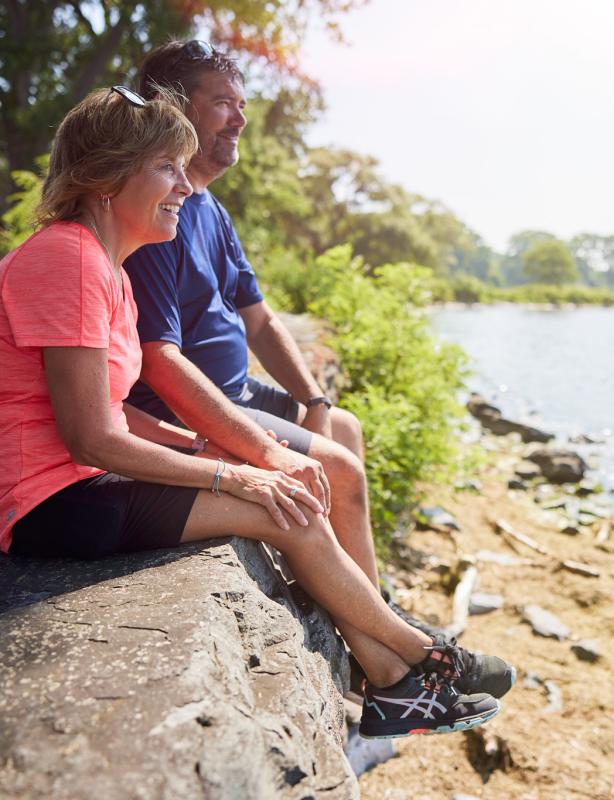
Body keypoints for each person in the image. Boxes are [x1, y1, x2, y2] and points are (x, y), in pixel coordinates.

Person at [0, 87, 510, 739]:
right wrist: (233, 475)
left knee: (286, 495)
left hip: (81, 484)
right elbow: (91, 436)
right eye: (166, 167)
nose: (185, 185)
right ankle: (421, 655)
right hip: (48, 503)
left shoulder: (107, 268)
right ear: (105, 177)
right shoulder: (67, 259)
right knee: (282, 509)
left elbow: (114, 408)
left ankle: (391, 679)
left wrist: (198, 448)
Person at [124, 40, 418, 636]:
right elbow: (158, 363)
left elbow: (259, 320)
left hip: (240, 392)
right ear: (174, 108)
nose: (240, 118)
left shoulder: (212, 209)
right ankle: (378, 641)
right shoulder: (155, 212)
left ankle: (361, 598)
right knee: (341, 470)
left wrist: (314, 401)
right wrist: (263, 448)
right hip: (196, 409)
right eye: (223, 103)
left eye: (242, 104)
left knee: (343, 427)